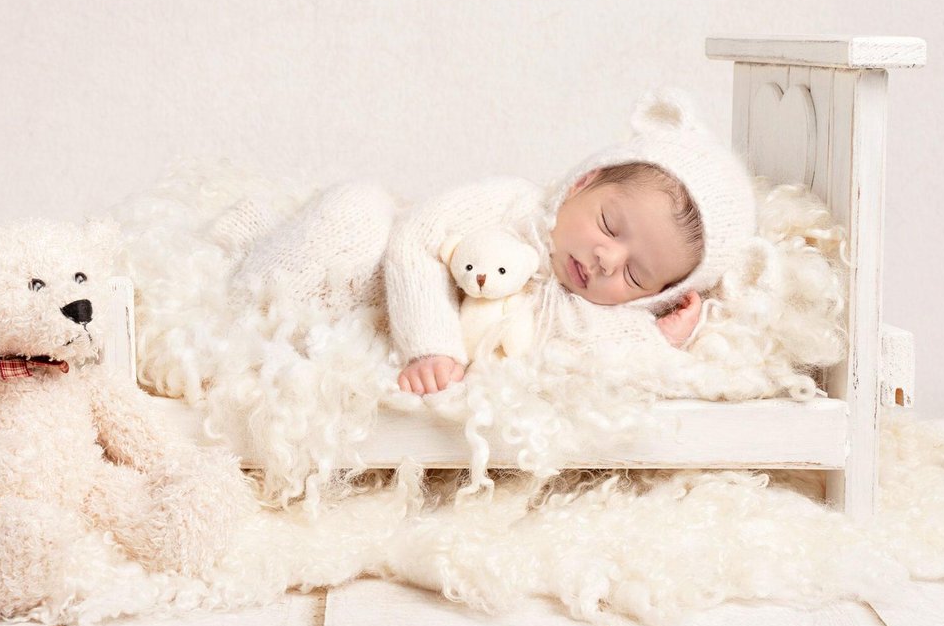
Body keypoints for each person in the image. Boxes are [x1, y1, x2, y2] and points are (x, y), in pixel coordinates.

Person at [219, 86, 758, 395]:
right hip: (373, 267)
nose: (604, 259)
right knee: (356, 207)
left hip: (346, 331)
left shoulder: (581, 314)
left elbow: (596, 359)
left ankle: (260, 283)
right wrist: (431, 346)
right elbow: (418, 237)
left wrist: (658, 341)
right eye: (609, 226)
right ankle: (239, 285)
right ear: (585, 181)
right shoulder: (512, 205)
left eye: (636, 276)